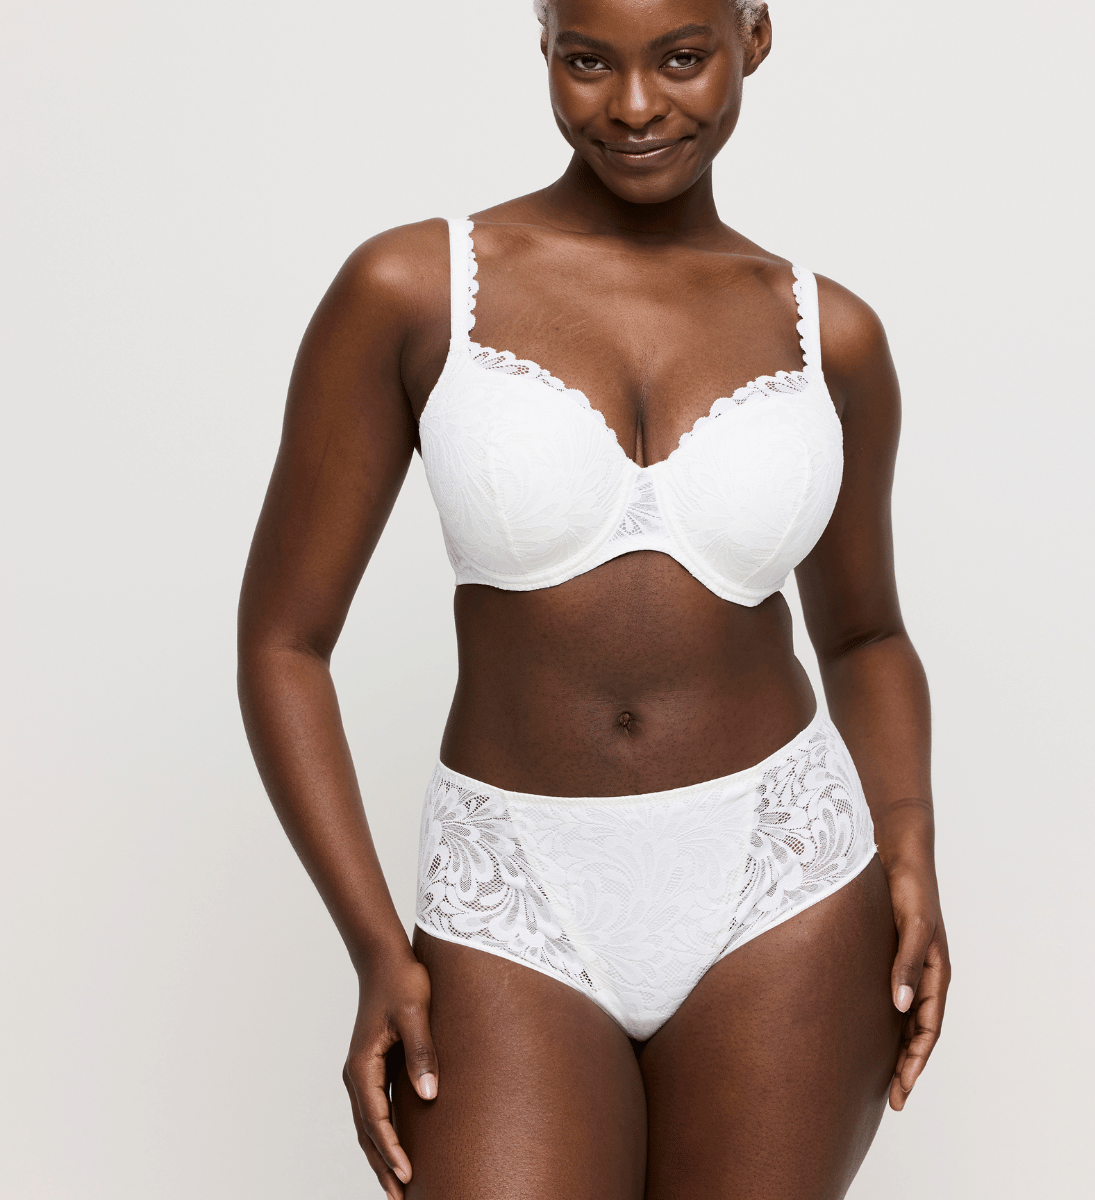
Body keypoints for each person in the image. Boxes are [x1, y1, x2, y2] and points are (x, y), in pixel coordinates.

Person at [237, 1, 950, 1195]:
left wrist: (911, 839)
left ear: (754, 38)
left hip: (784, 884)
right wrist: (372, 943)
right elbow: (283, 643)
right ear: (544, 43)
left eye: (682, 58)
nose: (631, 106)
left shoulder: (833, 337)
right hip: (511, 889)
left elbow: (867, 633)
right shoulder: (413, 288)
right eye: (586, 61)